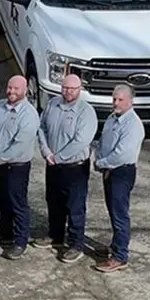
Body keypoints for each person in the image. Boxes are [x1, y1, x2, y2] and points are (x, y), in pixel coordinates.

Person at [38, 72, 99, 263]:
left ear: (79, 89)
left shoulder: (86, 112)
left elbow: (81, 141)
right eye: (65, 87)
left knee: (75, 206)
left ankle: (75, 244)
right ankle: (55, 235)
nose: (68, 92)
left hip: (74, 167)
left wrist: (59, 157)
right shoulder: (52, 104)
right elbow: (42, 128)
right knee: (53, 201)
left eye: (73, 88)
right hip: (53, 164)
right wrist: (47, 152)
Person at [0, 74, 40, 259]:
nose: (11, 91)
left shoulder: (29, 114)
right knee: (3, 201)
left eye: (16, 89)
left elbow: (20, 144)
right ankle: (5, 234)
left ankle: (20, 241)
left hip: (17, 166)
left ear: (25, 91)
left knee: (18, 204)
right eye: (9, 87)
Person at [93, 83, 145, 273]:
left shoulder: (133, 126)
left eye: (120, 99)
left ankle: (120, 256)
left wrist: (102, 163)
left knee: (120, 215)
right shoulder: (112, 118)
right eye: (114, 98)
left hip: (122, 172)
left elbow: (121, 155)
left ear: (131, 101)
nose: (115, 102)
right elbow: (103, 142)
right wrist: (98, 157)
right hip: (110, 170)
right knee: (113, 212)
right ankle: (115, 247)